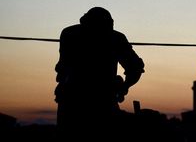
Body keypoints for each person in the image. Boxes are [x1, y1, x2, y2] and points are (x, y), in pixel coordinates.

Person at [54, 7, 145, 136]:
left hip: (74, 100)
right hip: (97, 101)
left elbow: (135, 68)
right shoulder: (115, 38)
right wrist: (124, 86)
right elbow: (135, 68)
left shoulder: (69, 33)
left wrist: (123, 86)